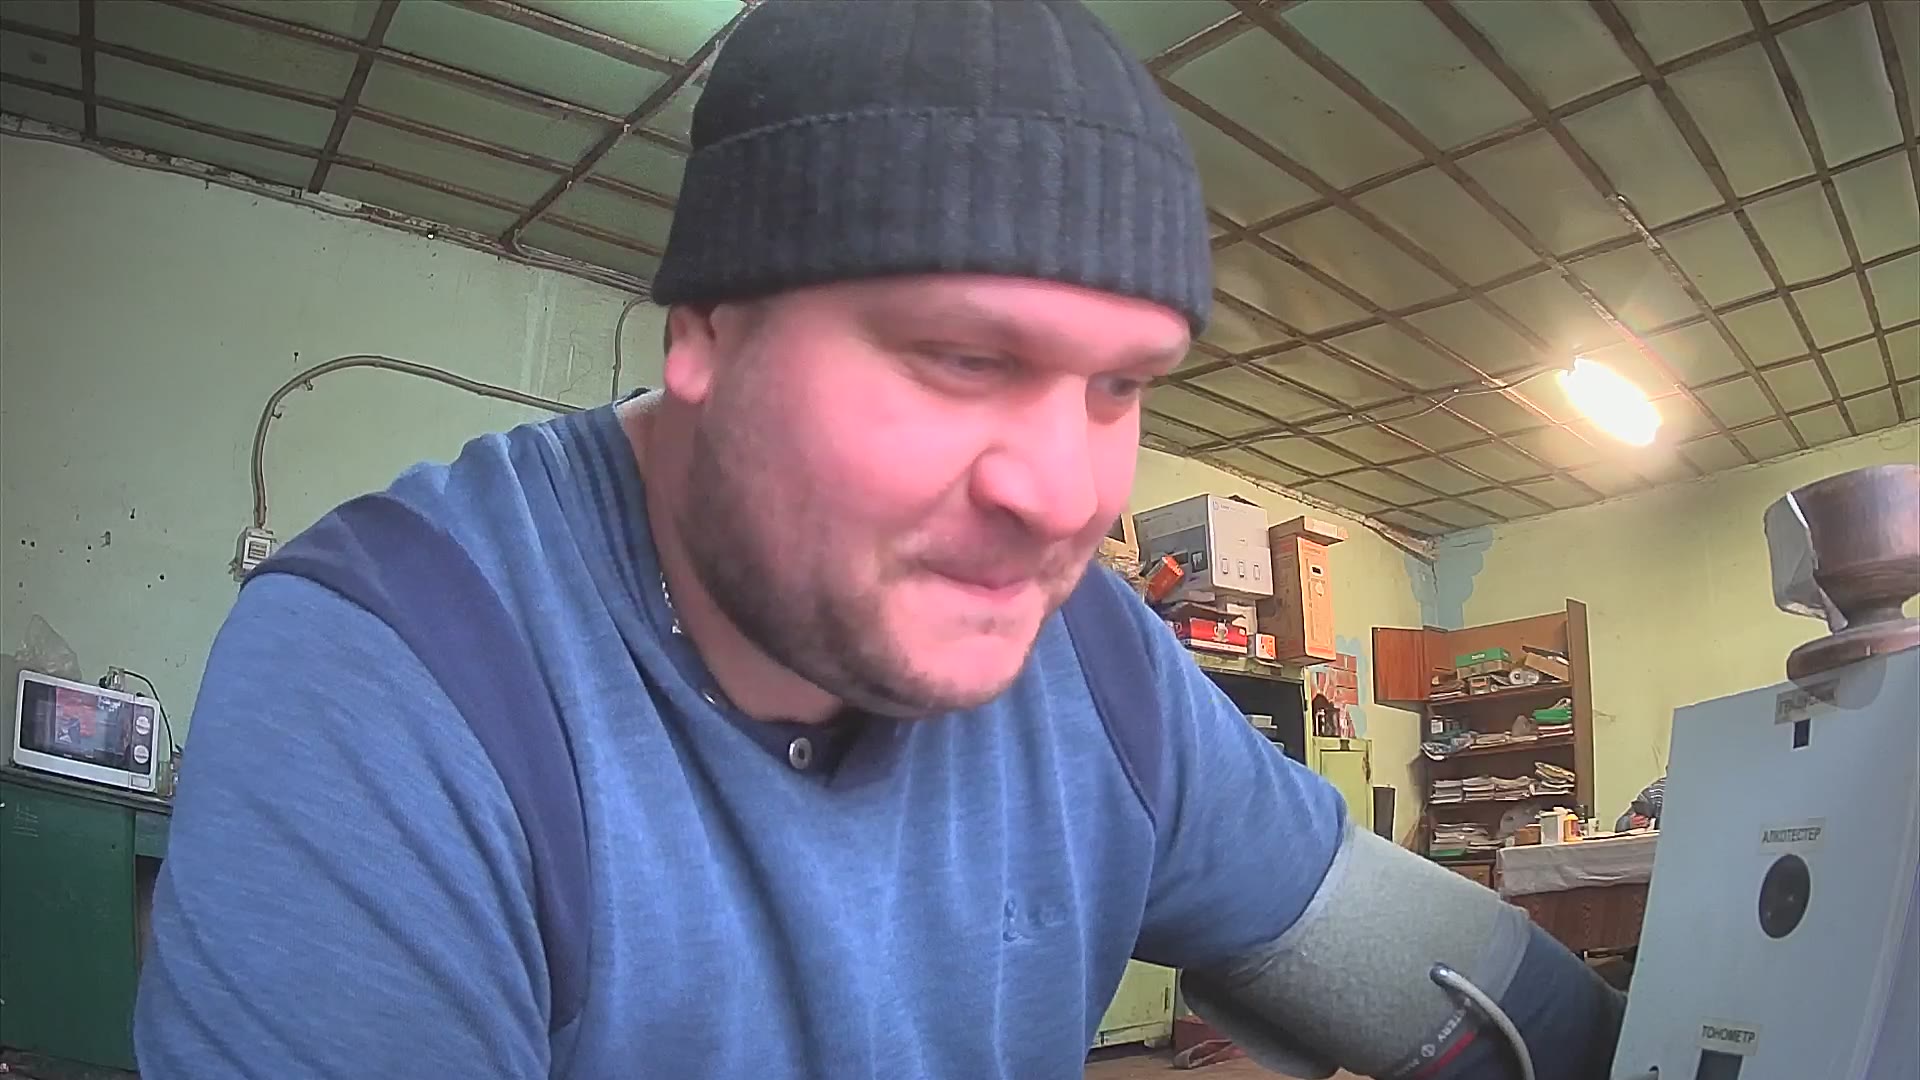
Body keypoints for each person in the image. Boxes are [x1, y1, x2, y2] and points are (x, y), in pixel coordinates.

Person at [134, 3, 1623, 1078]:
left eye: (1118, 389)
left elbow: (1479, 999)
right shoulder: (394, 680)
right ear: (707, 328)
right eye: (961, 358)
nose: (1064, 496)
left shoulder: (1096, 668)